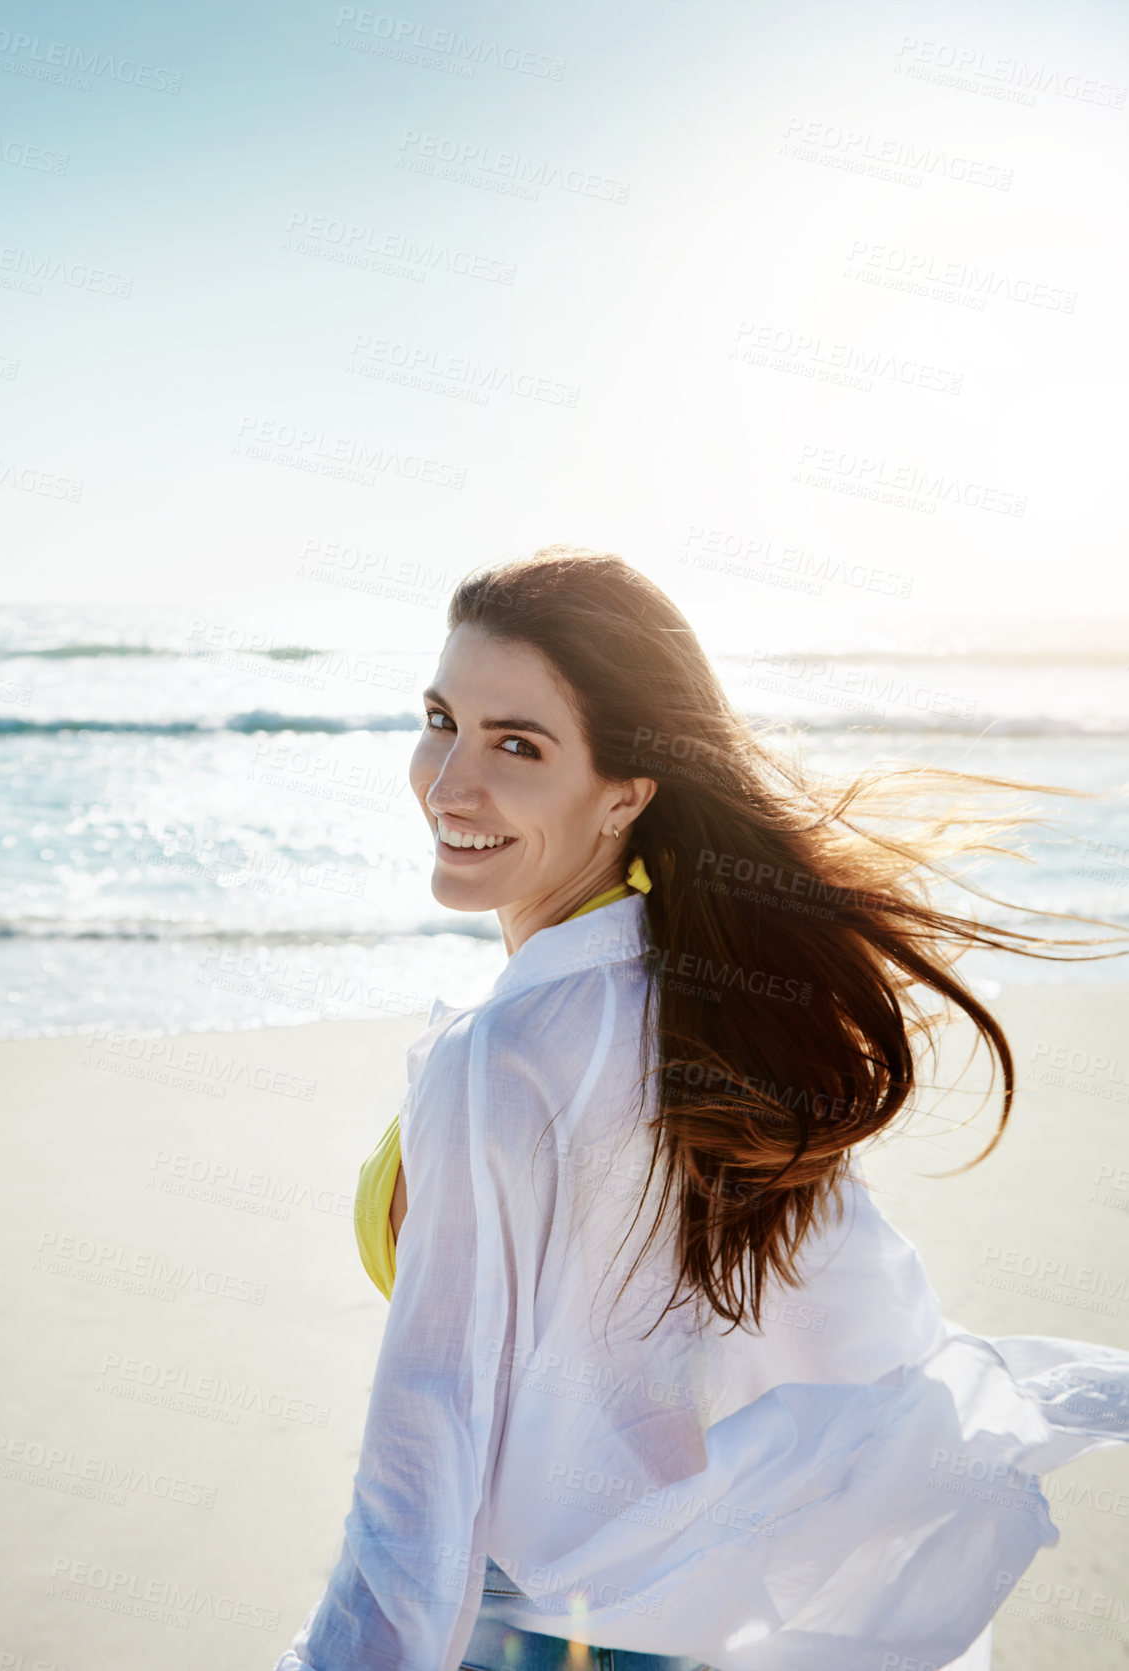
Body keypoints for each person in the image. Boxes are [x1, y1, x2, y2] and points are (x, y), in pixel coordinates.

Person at [272, 547, 1129, 1671]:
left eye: (516, 744)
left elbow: (425, 1451)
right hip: (698, 1627)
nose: (448, 782)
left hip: (531, 1632)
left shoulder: (506, 1058)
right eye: (442, 719)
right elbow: (859, 1335)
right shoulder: (721, 1012)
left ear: (626, 792)